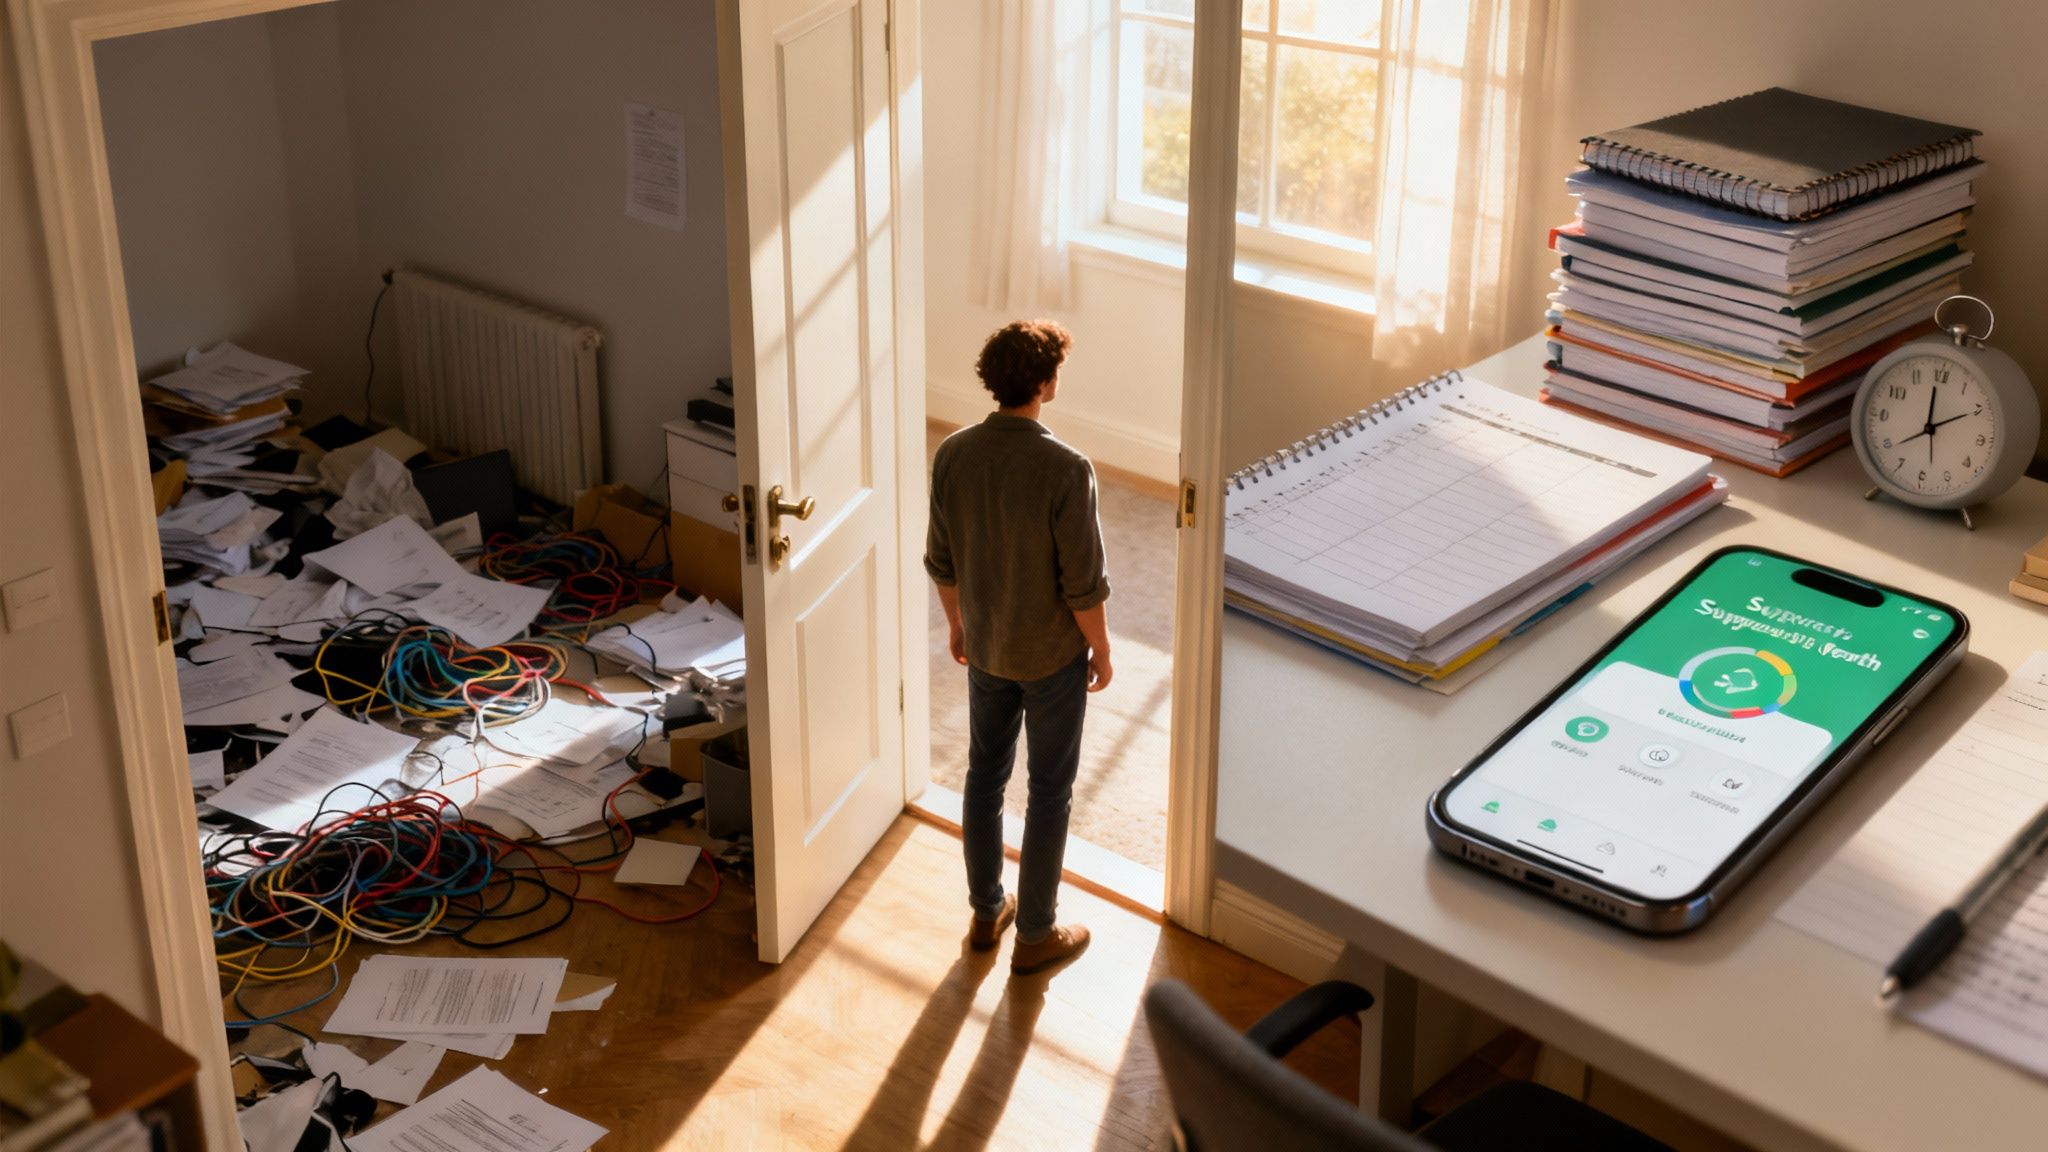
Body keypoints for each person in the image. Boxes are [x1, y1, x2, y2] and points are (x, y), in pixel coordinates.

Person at [924, 319, 1112, 975]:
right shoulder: (1067, 468)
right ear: (1043, 383)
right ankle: (1035, 934)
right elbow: (1083, 585)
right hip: (1050, 658)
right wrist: (1104, 651)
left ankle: (986, 911)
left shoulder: (953, 453)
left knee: (984, 777)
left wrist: (957, 625)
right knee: (1049, 791)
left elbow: (941, 561)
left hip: (988, 650)